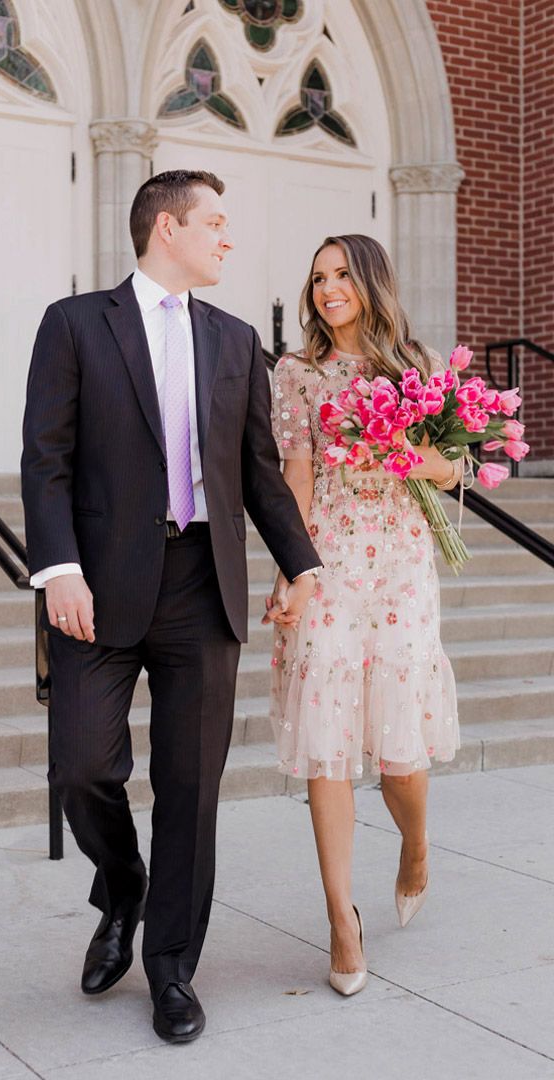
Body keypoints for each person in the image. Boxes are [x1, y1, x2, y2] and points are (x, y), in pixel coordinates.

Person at [21, 170, 321, 1042]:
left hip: (203, 583)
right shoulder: (76, 323)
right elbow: (46, 457)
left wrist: (301, 565)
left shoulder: (236, 343)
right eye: (215, 222)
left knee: (191, 786)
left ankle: (172, 968)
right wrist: (58, 568)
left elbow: (258, 476)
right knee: (80, 765)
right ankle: (122, 889)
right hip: (99, 583)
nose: (228, 239)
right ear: (165, 226)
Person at [267, 234, 460, 997]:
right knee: (328, 746)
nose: (327, 288)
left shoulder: (417, 367)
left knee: (400, 757)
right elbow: (296, 475)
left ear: (371, 280)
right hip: (331, 562)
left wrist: (413, 448)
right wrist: (294, 573)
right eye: (317, 277)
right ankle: (341, 925)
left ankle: (415, 845)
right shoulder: (297, 373)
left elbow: (456, 473)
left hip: (403, 565)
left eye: (342, 274)